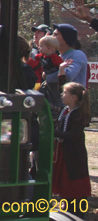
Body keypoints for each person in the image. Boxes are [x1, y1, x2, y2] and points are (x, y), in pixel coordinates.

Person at [52, 82, 91, 218]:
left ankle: (77, 215)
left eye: (65, 93)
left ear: (74, 97)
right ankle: (68, 212)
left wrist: (53, 132)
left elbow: (72, 136)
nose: (62, 95)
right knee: (66, 186)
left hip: (74, 157)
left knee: (74, 187)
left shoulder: (78, 115)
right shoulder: (67, 110)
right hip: (65, 153)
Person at [44, 24, 88, 88]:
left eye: (55, 34)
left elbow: (68, 75)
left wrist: (48, 77)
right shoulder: (57, 56)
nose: (51, 37)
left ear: (65, 39)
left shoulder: (77, 54)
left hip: (74, 97)